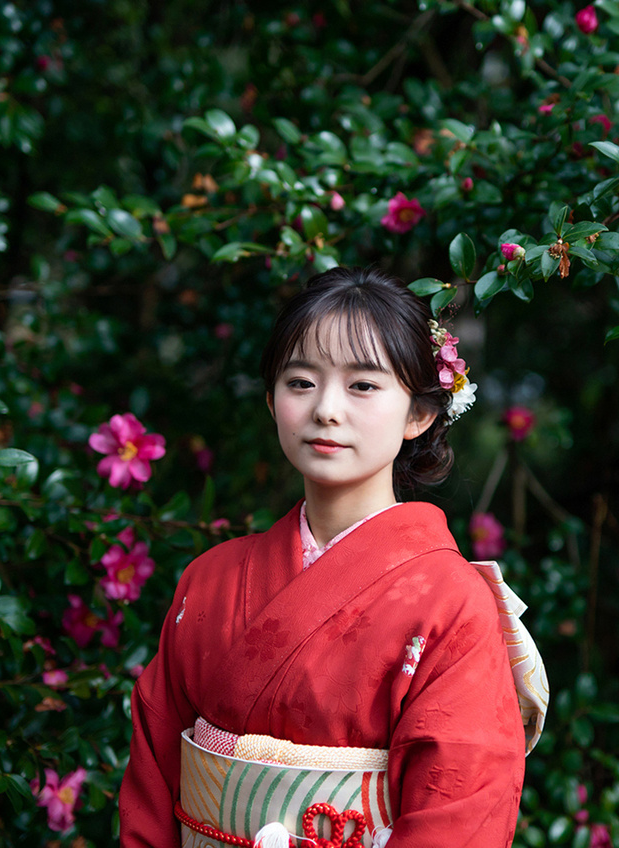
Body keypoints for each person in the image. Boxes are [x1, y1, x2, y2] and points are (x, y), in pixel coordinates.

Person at [119, 267, 546, 848]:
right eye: (300, 382)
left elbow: (459, 810)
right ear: (271, 399)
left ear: (419, 414)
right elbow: (151, 777)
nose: (325, 409)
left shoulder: (451, 605)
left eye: (363, 386)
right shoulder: (210, 578)